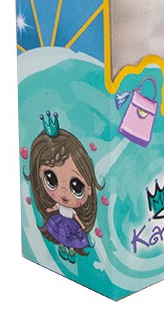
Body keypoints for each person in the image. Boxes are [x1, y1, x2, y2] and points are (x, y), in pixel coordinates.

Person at [25, 113, 104, 265]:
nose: (63, 192)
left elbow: (77, 217)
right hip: (60, 223)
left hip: (71, 225)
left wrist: (82, 225)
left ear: (89, 189)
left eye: (76, 186)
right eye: (51, 179)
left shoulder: (73, 210)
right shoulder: (58, 204)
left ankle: (71, 251)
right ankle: (63, 248)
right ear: (39, 175)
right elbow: (55, 207)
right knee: (61, 236)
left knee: (71, 239)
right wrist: (50, 209)